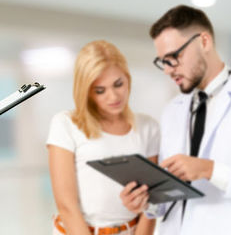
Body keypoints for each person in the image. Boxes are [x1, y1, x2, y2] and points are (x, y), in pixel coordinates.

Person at [119, 5, 231, 234]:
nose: (168, 70)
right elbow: (170, 200)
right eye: (163, 61)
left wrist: (210, 170)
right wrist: (146, 202)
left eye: (174, 57)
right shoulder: (173, 110)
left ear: (204, 41)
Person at [47, 40, 159, 235]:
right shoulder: (65, 124)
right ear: (87, 92)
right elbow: (67, 206)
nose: (113, 96)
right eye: (100, 90)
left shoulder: (148, 127)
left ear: (128, 79)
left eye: (118, 84)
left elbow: (152, 202)